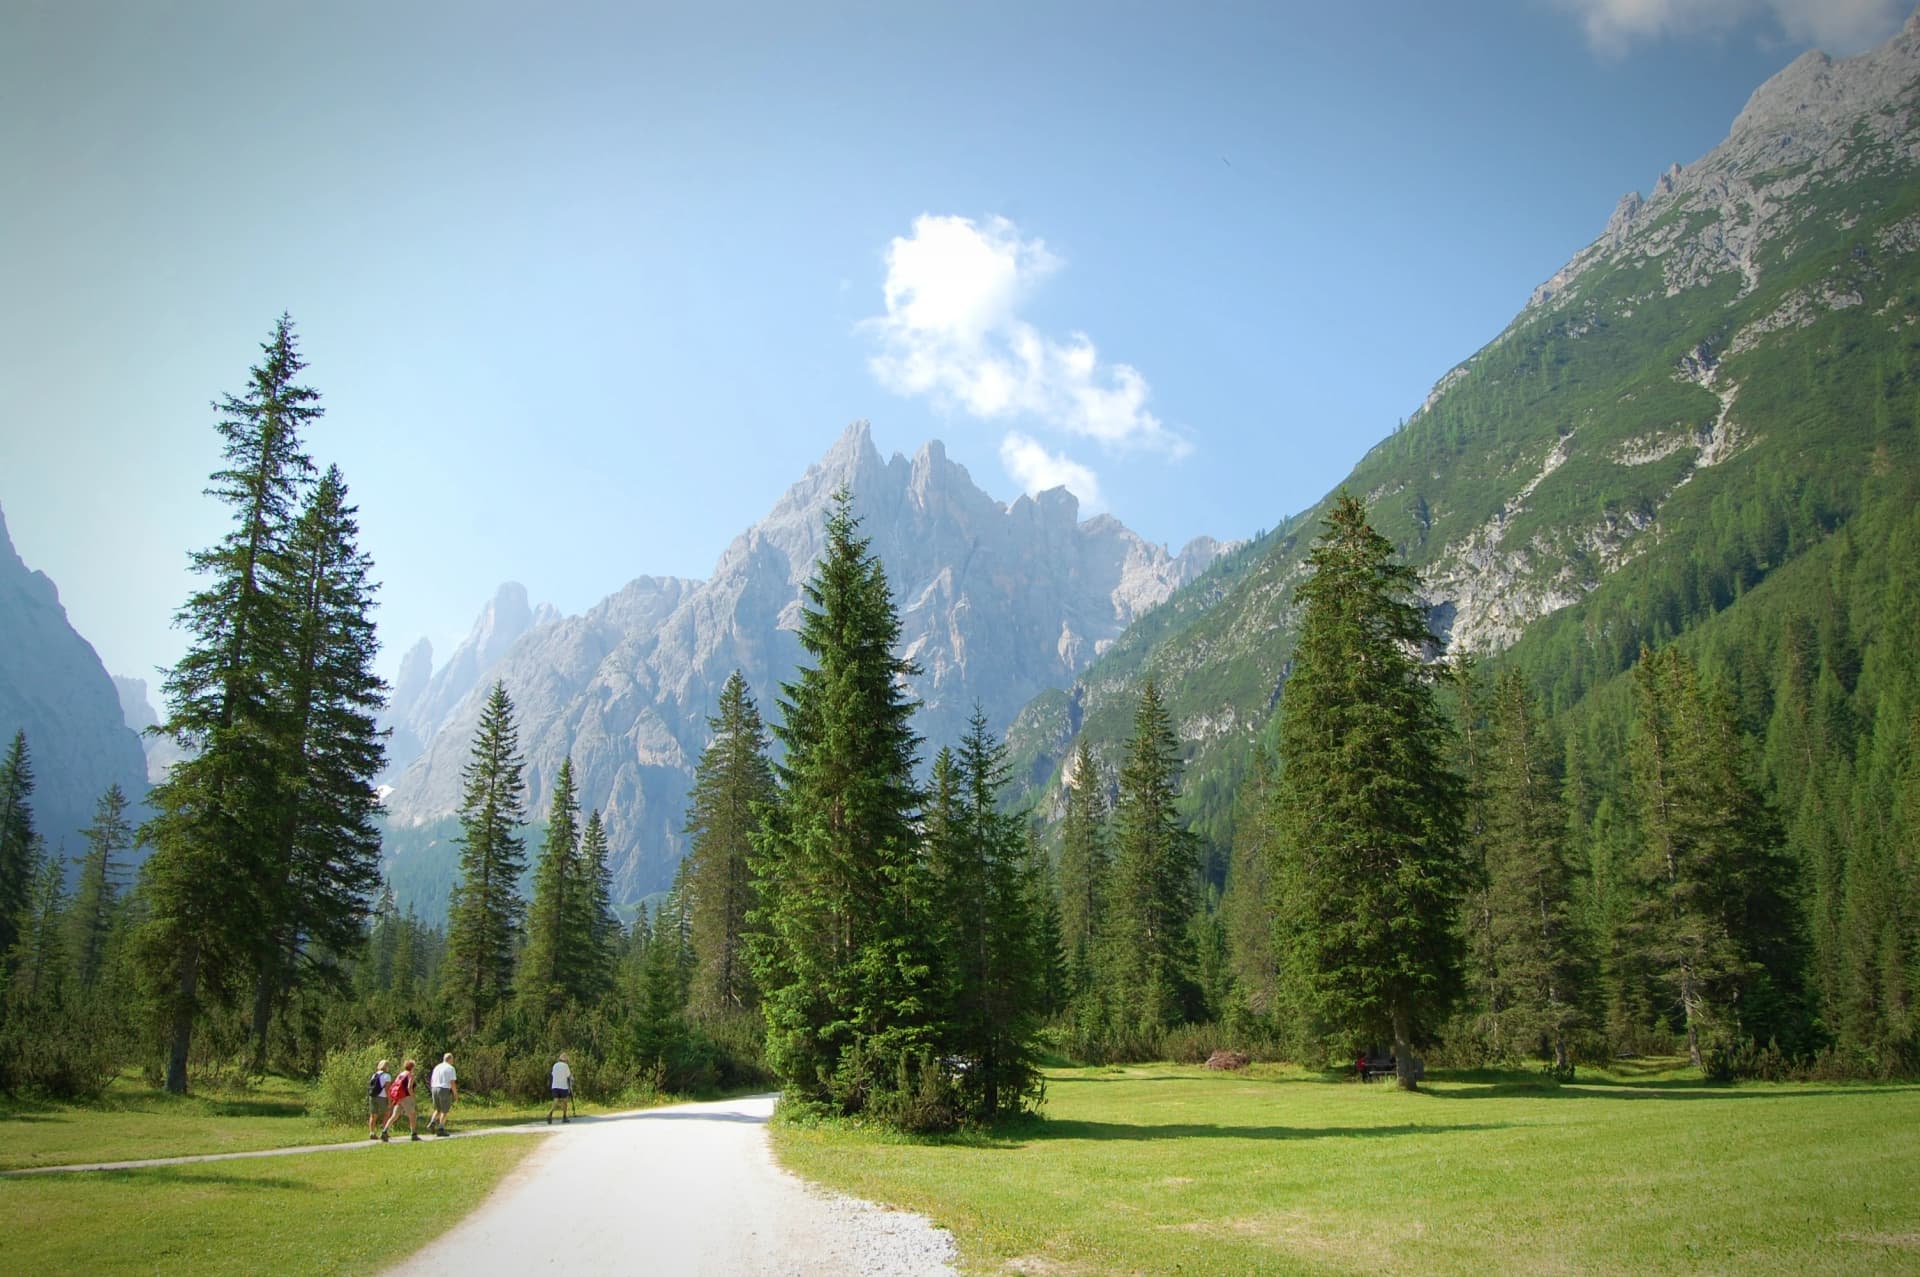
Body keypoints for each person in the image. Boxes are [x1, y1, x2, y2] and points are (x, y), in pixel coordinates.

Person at [381, 1059, 421, 1142]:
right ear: (412, 1067)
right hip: (406, 1097)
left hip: (399, 1097)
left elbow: (395, 1084)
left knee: (395, 1115)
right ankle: (413, 1134)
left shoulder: (401, 1074)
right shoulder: (411, 1075)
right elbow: (409, 1087)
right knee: (412, 1115)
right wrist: (413, 1097)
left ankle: (384, 1131)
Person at [427, 1052, 458, 1135]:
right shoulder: (450, 1068)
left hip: (434, 1088)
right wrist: (455, 1094)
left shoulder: (437, 1067)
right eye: (452, 1059)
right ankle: (441, 1128)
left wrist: (432, 1089)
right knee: (445, 1110)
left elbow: (432, 1079)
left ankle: (432, 1122)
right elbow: (452, 1082)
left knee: (438, 1109)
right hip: (444, 1089)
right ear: (450, 1059)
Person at [367, 1058, 392, 1138]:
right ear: (386, 1067)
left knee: (373, 1115)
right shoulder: (387, 1076)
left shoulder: (374, 1075)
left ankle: (372, 1132)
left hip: (372, 1096)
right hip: (382, 1097)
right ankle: (384, 1132)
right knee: (387, 1114)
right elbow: (387, 1089)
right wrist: (389, 1101)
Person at [547, 1053, 574, 1124]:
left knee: (556, 1101)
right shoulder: (565, 1066)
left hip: (555, 1086)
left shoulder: (555, 1065)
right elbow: (568, 1075)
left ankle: (550, 1113)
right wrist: (572, 1080)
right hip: (563, 1086)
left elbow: (553, 1074)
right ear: (565, 1060)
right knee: (565, 1101)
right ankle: (564, 1117)